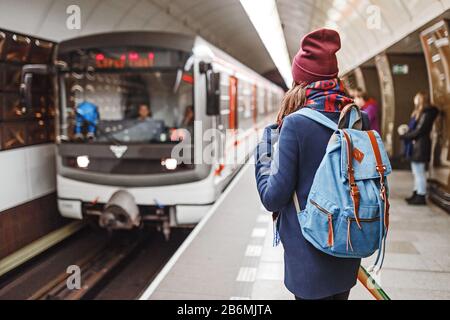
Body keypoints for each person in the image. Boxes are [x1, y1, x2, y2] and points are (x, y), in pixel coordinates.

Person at [255, 28, 370, 301]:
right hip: (347, 244)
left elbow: (272, 198)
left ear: (300, 80)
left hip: (309, 255)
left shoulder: (295, 124)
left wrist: (264, 150)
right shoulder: (357, 118)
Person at [400, 91, 439, 205]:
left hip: (421, 146)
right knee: (416, 172)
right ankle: (416, 192)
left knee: (419, 172)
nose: (415, 100)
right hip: (416, 145)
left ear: (421, 100)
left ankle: (421, 195)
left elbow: (420, 130)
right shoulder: (421, 113)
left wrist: (405, 136)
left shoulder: (427, 113)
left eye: (416, 98)